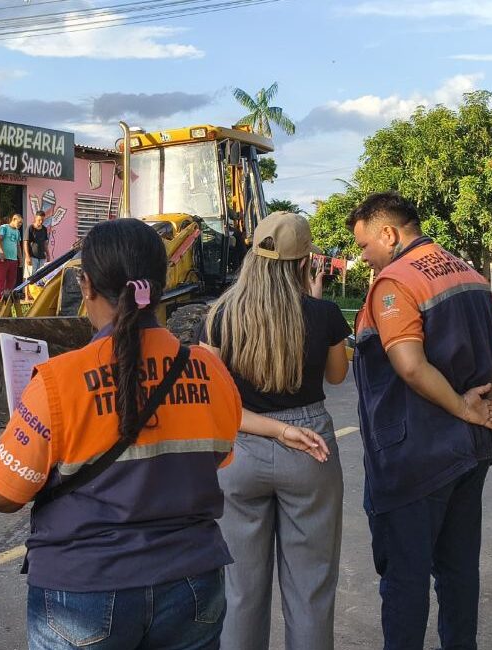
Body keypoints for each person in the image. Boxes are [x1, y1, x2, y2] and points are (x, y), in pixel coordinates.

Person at [0, 218, 243, 650]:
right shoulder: (210, 371)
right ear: (160, 284)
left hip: (84, 592)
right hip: (193, 584)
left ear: (85, 286)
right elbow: (215, 455)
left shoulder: (57, 382)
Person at [347, 192, 492, 650]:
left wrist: (465, 407)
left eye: (365, 245)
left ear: (389, 234)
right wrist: (491, 403)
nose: (363, 257)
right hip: (469, 451)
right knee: (459, 568)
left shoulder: (394, 282)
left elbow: (409, 365)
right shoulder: (467, 272)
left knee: (405, 577)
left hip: (413, 456)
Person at [201, 211, 349, 650]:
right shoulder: (323, 314)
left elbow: (212, 401)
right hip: (310, 447)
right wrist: (317, 303)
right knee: (311, 587)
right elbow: (337, 376)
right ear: (305, 262)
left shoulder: (219, 315)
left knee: (240, 589)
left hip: (238, 448)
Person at [0, 213, 27, 298]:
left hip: (13, 259)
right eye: (19, 222)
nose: (20, 225)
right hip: (3, 258)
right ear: (14, 219)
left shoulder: (17, 232)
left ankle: (7, 297)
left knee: (11, 280)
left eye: (21, 223)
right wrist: (1, 252)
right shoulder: (4, 227)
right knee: (0, 278)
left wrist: (20, 259)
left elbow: (18, 246)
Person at [27, 210, 50, 275]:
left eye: (42, 220)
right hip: (32, 257)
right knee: (31, 277)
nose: (41, 221)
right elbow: (25, 242)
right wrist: (27, 256)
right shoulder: (30, 228)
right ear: (35, 218)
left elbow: (45, 243)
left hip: (42, 257)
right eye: (39, 220)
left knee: (41, 276)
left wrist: (48, 255)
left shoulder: (44, 229)